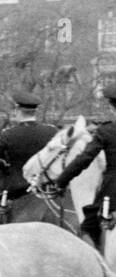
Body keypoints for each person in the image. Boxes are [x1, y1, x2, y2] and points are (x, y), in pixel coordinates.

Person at [56, 81, 116, 249]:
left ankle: (97, 269)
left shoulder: (106, 131)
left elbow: (83, 160)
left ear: (111, 106)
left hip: (113, 195)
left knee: (87, 227)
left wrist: (61, 181)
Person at [0, 91, 57, 215]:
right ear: (35, 112)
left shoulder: (8, 134)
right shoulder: (51, 131)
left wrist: (3, 166)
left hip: (16, 190)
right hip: (46, 189)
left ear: (17, 111)